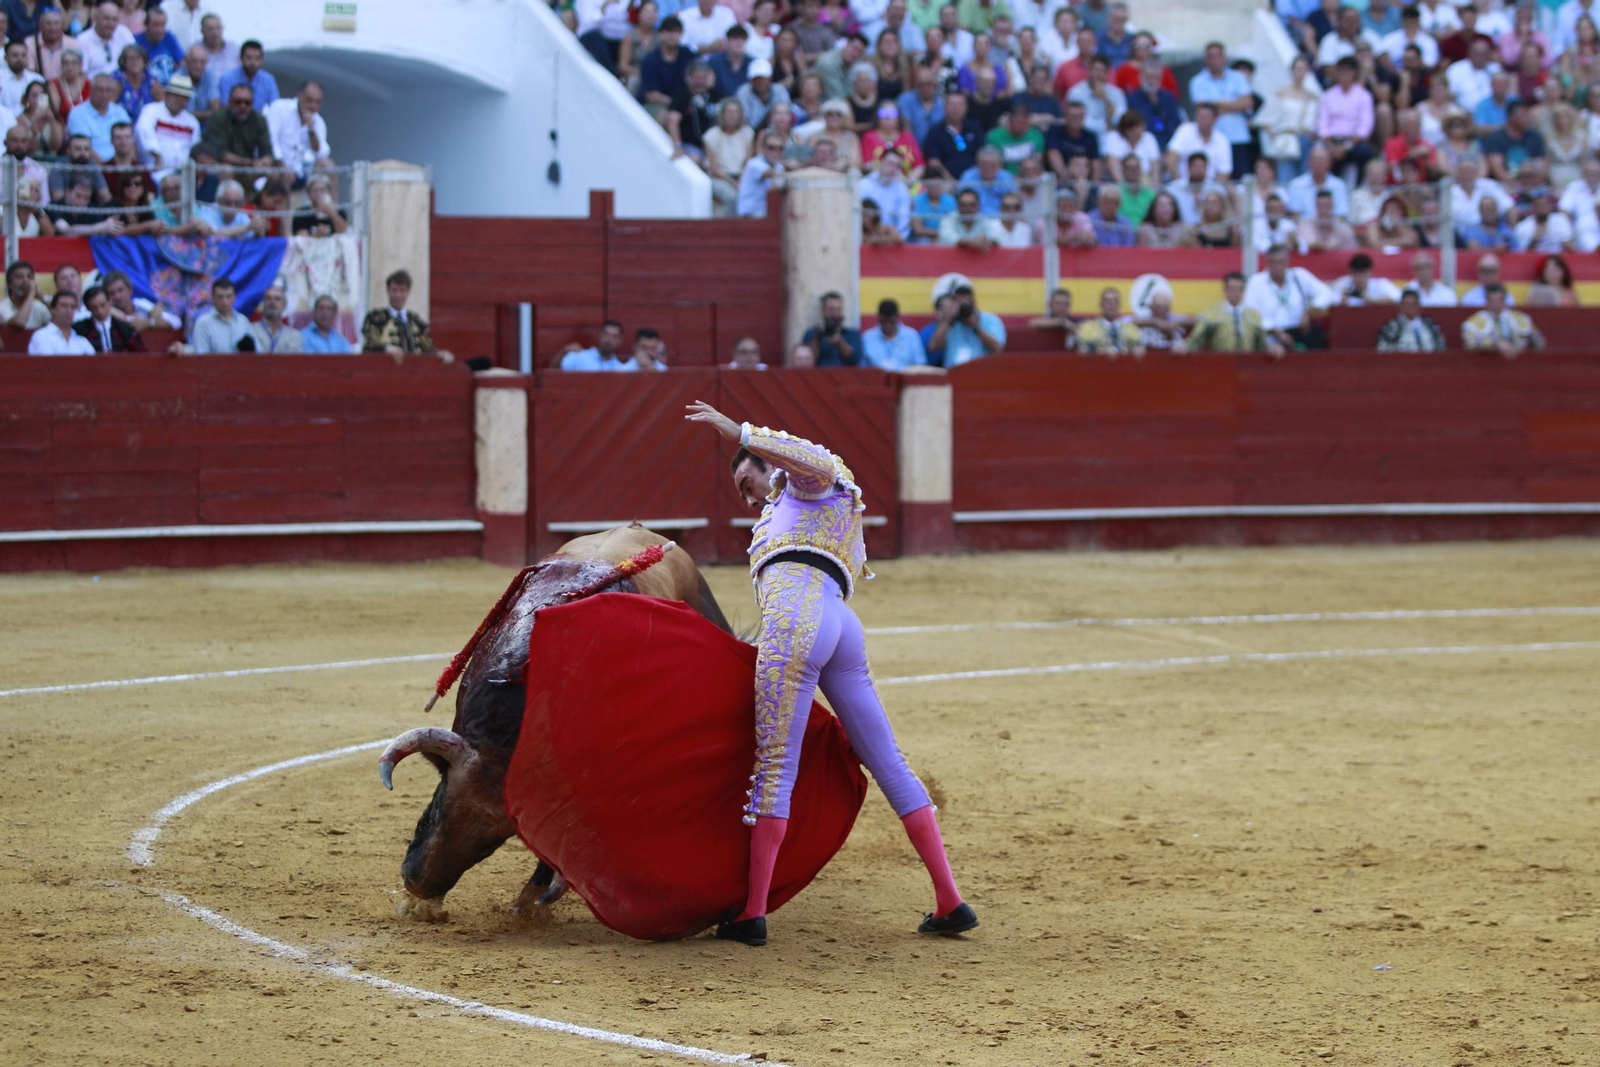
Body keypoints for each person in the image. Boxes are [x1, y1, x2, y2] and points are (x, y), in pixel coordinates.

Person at [681, 400, 975, 948]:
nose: (747, 497)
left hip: (798, 619)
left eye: (748, 479)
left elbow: (808, 458)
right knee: (889, 762)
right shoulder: (795, 508)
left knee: (775, 766)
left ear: (767, 462)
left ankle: (752, 913)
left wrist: (738, 432)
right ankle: (949, 900)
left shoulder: (808, 485)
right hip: (840, 623)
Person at [1244, 243, 1334, 350]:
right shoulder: (1256, 282)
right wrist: (1276, 331)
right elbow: (1250, 313)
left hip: (1300, 331)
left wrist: (1309, 311)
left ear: (1288, 261)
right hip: (1270, 335)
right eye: (1273, 262)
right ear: (1267, 262)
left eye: (1281, 262)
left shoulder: (1300, 275)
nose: (1277, 267)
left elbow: (1329, 294)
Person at [1189, 41, 1256, 177]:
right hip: (1212, 139)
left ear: (1224, 57)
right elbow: (1204, 108)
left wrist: (1218, 104)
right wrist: (1235, 104)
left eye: (1218, 55)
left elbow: (1248, 103)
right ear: (1206, 59)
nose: (1215, 59)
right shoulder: (1197, 81)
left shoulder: (1238, 77)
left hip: (1238, 137)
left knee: (1240, 180)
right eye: (1211, 56)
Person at [362, 269, 456, 363]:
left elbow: (428, 350)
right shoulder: (375, 318)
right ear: (388, 291)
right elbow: (368, 345)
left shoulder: (416, 321)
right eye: (394, 290)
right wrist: (385, 348)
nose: (398, 295)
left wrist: (440, 354)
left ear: (408, 292)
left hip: (413, 373)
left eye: (402, 290)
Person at [1187, 272, 1282, 355]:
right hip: (1220, 364)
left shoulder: (1254, 316)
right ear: (1225, 290)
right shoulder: (1211, 314)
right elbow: (1196, 340)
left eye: (1239, 289)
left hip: (1247, 365)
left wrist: (1272, 348)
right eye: (1232, 289)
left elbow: (1262, 344)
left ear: (1243, 291)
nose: (1235, 293)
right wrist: (1184, 347)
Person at [921, 282, 1005, 365]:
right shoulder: (951, 321)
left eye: (966, 305)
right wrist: (947, 321)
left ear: (974, 303)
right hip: (953, 372)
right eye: (960, 305)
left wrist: (976, 327)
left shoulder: (990, 320)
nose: (963, 310)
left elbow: (998, 348)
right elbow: (934, 347)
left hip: (981, 372)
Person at [135, 68, 197, 176]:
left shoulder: (192, 122)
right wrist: (157, 154)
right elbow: (143, 130)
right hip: (155, 172)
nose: (180, 100)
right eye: (176, 95)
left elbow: (195, 149)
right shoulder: (151, 110)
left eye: (184, 97)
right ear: (167, 94)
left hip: (184, 175)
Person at [264, 80, 329, 183]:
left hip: (304, 171)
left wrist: (311, 130)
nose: (313, 106)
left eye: (317, 102)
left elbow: (321, 153)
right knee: (282, 175)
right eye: (309, 100)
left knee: (328, 165)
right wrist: (282, 164)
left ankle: (332, 200)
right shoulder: (280, 108)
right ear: (299, 96)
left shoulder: (319, 122)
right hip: (280, 167)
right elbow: (271, 141)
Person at [203, 82, 274, 168]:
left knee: (273, 175)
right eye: (238, 102)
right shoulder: (218, 117)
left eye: (247, 103)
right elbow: (221, 153)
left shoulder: (259, 119)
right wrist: (251, 162)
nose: (243, 106)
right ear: (229, 102)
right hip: (224, 167)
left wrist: (265, 161)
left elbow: (267, 150)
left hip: (251, 169)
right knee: (226, 169)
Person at [1462, 283, 1543, 355]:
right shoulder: (1474, 322)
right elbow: (1470, 344)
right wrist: (1495, 344)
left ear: (1505, 301)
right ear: (1486, 302)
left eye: (1499, 300)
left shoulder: (1520, 318)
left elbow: (1539, 342)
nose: (1495, 305)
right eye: (1492, 300)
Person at [186, 276, 252, 351]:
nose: (225, 301)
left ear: (234, 297)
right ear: (213, 298)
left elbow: (257, 352)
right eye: (220, 297)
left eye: (228, 296)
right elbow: (201, 356)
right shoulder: (203, 323)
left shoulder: (243, 320)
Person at [1075, 286, 1144, 356]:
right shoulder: (1087, 329)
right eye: (1107, 301)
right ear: (1101, 304)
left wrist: (1138, 350)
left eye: (1115, 301)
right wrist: (1100, 352)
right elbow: (1082, 353)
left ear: (1119, 305)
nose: (1111, 304)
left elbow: (1138, 347)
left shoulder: (1131, 329)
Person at [800, 290, 863, 367]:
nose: (834, 313)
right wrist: (818, 335)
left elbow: (855, 359)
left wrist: (839, 342)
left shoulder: (852, 334)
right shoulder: (811, 334)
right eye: (831, 309)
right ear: (823, 310)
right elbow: (807, 362)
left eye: (838, 309)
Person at [73, 283, 142, 351]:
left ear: (110, 301)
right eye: (94, 307)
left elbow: (140, 353)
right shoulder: (80, 329)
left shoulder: (123, 328)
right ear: (88, 308)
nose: (100, 311)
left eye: (103, 305)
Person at [861, 298, 928, 368]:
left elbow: (921, 365)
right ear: (878, 317)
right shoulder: (867, 338)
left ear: (897, 316)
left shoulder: (912, 336)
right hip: (875, 378)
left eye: (891, 320)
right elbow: (861, 368)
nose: (887, 324)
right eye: (884, 320)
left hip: (905, 378)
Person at [75, 0, 134, 79]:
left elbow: (136, 58)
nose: (111, 24)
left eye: (115, 19)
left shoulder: (123, 32)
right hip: (95, 88)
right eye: (107, 19)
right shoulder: (82, 40)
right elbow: (81, 74)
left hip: (122, 86)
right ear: (96, 17)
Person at [1376, 289, 1448, 350]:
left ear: (1418, 306)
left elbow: (1441, 347)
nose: (1410, 308)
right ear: (1401, 306)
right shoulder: (1391, 327)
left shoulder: (1431, 325)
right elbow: (1383, 350)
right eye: (1407, 304)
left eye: (1413, 304)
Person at [736, 131, 787, 217]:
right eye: (771, 147)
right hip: (749, 215)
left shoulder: (779, 167)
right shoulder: (754, 163)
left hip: (766, 214)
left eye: (780, 148)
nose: (776, 151)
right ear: (763, 148)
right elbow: (769, 173)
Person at [28, 290, 94, 355]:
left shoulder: (82, 341)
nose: (69, 310)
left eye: (72, 307)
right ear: (52, 308)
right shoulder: (41, 336)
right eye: (64, 306)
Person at [937, 185, 1004, 248]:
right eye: (963, 205)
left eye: (972, 205)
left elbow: (997, 237)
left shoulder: (984, 219)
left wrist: (986, 242)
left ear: (978, 206)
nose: (968, 209)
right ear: (957, 206)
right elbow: (946, 237)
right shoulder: (949, 219)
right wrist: (972, 242)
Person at [245, 284, 303, 352]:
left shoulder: (293, 335)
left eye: (277, 299)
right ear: (263, 304)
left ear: (284, 305)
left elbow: (295, 360)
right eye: (268, 298)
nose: (272, 302)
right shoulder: (250, 330)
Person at [1331, 252, 1404, 305]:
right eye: (1356, 274)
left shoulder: (1380, 284)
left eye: (1363, 273)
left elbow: (1398, 297)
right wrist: (1341, 300)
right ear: (1350, 272)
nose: (1360, 278)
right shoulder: (1342, 284)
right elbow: (1327, 300)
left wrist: (1373, 301)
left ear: (1370, 272)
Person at [0, 258, 50, 329]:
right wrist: (32, 292)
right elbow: (19, 323)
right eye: (19, 276)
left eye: (29, 277)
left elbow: (61, 321)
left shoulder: (39, 307)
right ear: (9, 284)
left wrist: (41, 297)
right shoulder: (2, 307)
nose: (26, 281)